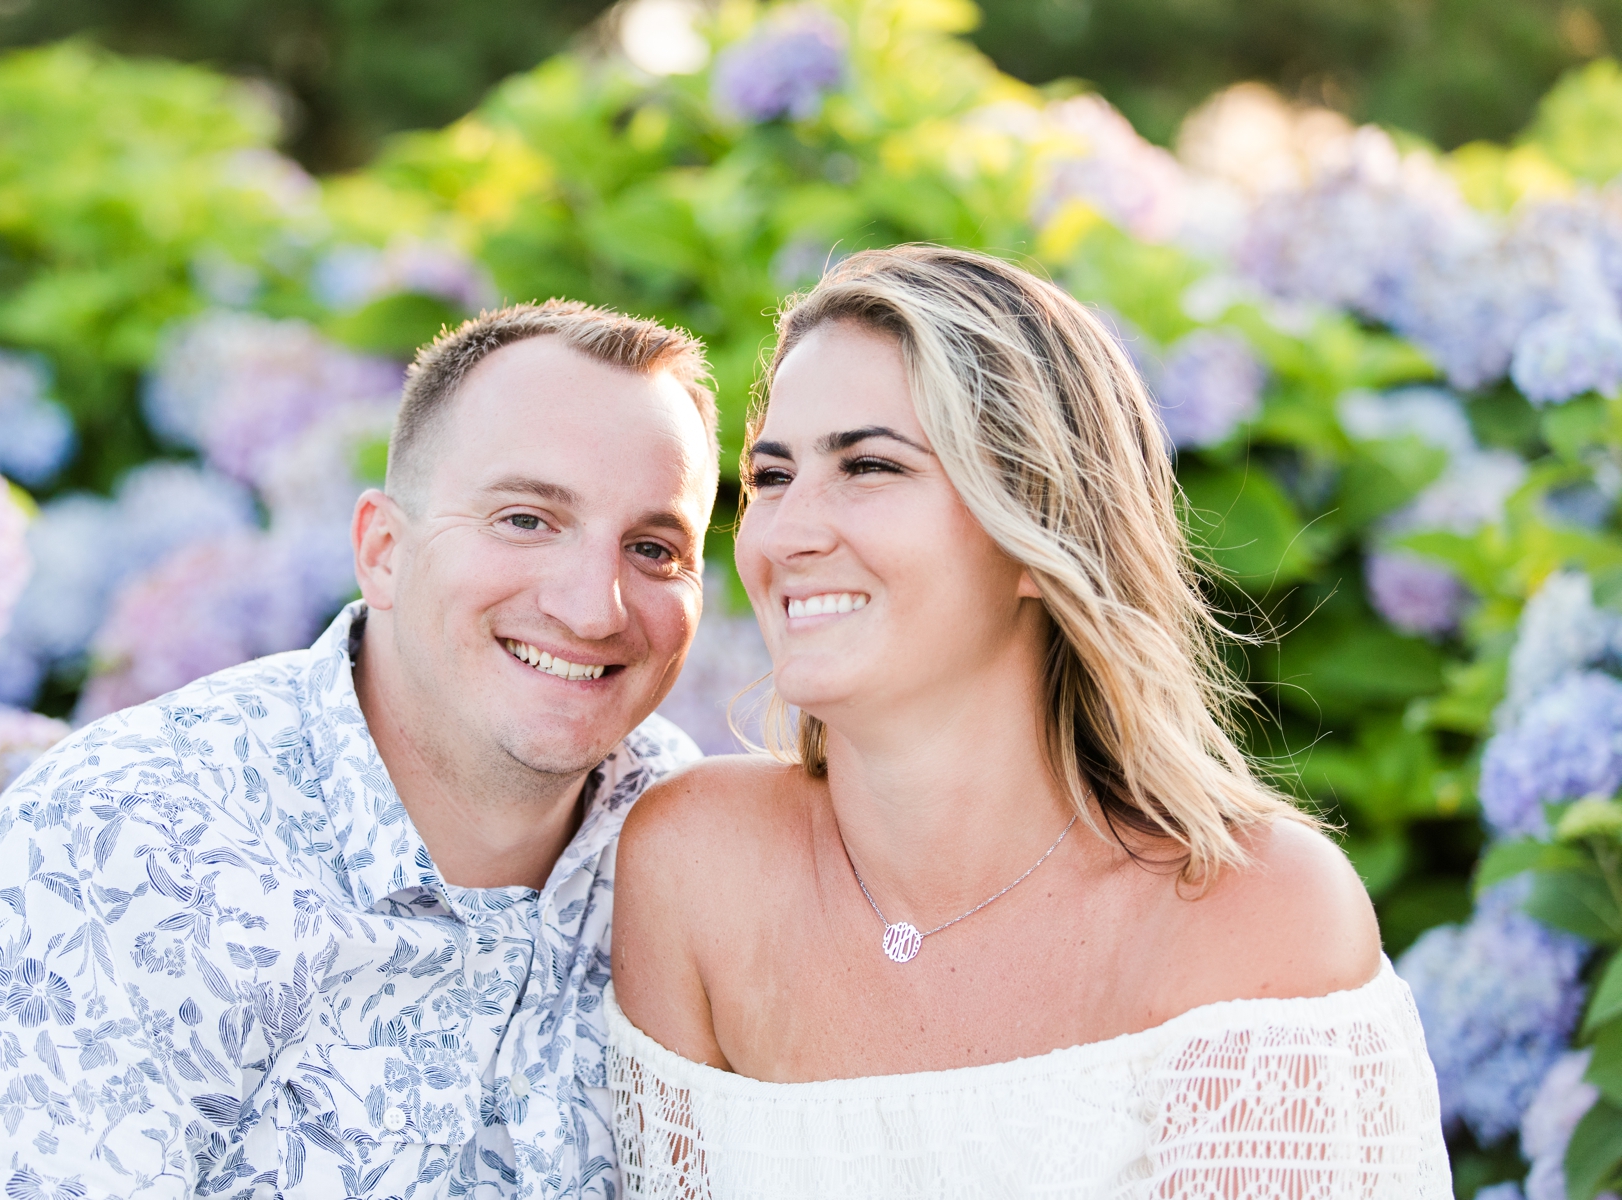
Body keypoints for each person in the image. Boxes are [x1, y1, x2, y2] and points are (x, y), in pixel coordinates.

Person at [609, 247, 1452, 1198]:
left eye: (870, 465)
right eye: (772, 476)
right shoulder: (696, 867)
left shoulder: (1256, 917)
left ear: (1035, 530)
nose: (789, 531)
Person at [0, 301, 721, 1200]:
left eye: (653, 547)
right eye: (526, 519)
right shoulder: (112, 854)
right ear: (383, 549)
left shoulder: (695, 849)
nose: (594, 608)